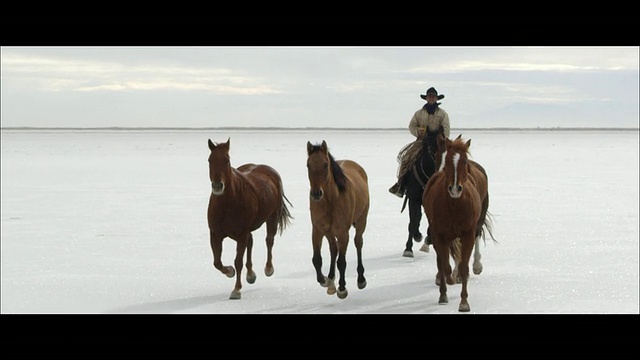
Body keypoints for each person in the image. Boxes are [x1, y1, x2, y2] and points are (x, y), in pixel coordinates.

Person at [389, 87, 451, 197]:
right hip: (422, 141)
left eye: (433, 96)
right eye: (429, 96)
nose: (431, 98)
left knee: (452, 160)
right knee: (406, 158)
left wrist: (442, 139)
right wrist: (418, 131)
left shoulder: (443, 114)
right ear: (426, 98)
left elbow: (446, 129)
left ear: (436, 98)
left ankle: (453, 184)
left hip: (438, 142)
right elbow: (412, 126)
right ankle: (400, 185)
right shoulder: (418, 113)